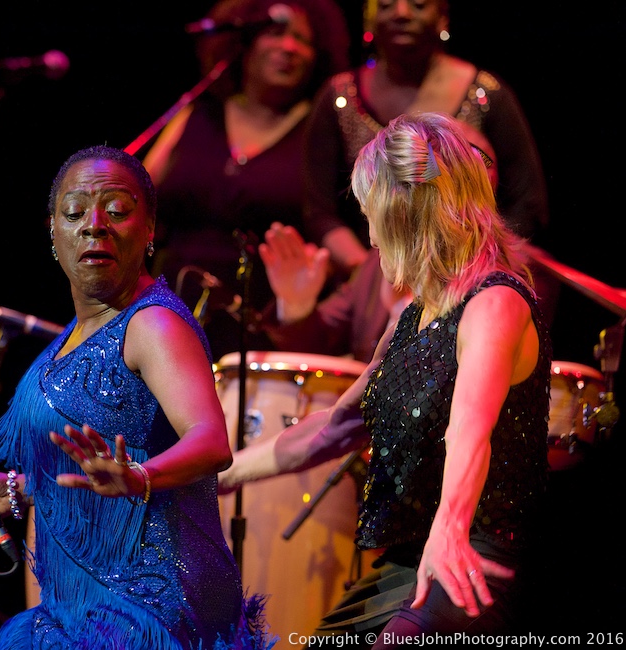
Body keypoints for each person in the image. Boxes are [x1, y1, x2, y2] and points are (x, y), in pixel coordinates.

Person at [218, 112, 552, 643]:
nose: (368, 234)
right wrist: (213, 475)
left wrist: (449, 531)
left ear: (402, 214)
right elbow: (337, 426)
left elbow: (469, 430)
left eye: (370, 213)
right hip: (414, 555)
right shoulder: (415, 316)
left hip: (483, 552)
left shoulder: (495, 303)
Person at [0, 146, 275, 650]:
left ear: (149, 231)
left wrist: (141, 478)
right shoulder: (74, 335)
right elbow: (99, 470)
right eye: (75, 212)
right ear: (54, 232)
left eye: (118, 211)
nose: (94, 225)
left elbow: (211, 441)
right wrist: (18, 487)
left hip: (152, 611)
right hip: (78, 607)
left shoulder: (153, 323)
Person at [301, 0, 557, 326]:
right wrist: (377, 268)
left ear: (442, 17)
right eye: (386, 4)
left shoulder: (486, 93)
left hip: (466, 270)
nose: (402, 13)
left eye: (419, 4)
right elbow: (320, 208)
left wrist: (468, 258)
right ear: (368, 19)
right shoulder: (337, 95)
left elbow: (527, 201)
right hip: (373, 270)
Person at [141, 0, 352, 361]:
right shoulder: (198, 113)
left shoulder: (322, 133)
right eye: (276, 32)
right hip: (163, 317)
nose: (289, 48)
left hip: (258, 336)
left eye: (303, 40)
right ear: (243, 42)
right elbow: (138, 198)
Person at [257, 119, 498, 363]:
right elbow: (318, 351)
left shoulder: (503, 282)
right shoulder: (375, 269)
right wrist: (295, 306)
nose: (373, 239)